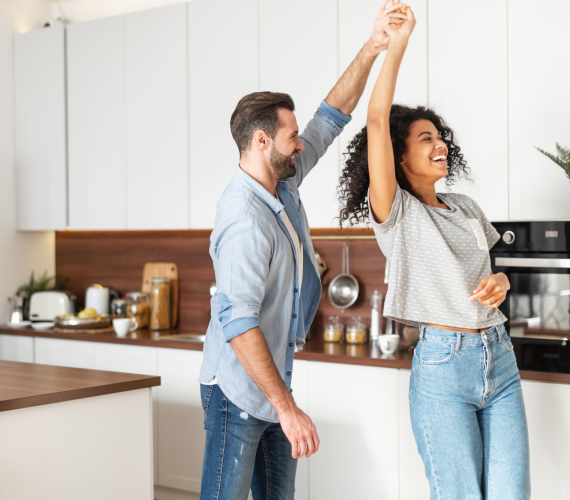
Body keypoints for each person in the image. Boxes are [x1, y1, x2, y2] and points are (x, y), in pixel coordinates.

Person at [197, 3, 409, 499]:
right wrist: (287, 408)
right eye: (291, 138)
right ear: (261, 140)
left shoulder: (282, 181)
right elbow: (238, 323)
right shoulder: (244, 220)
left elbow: (331, 116)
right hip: (238, 393)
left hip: (273, 384)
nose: (301, 145)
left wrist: (376, 43)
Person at [338, 3, 531, 499]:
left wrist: (503, 282)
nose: (440, 142)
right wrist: (396, 45)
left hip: (499, 357)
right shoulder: (396, 212)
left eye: (440, 135)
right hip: (444, 368)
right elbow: (377, 119)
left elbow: (498, 271)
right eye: (426, 138)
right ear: (399, 158)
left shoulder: (465, 206)